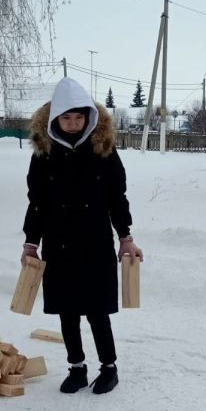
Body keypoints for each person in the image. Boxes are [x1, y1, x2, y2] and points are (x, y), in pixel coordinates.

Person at [21, 77, 143, 394]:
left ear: (88, 116)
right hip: (58, 245)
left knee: (97, 312)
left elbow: (118, 197)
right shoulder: (44, 154)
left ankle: (109, 368)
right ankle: (76, 368)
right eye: (66, 118)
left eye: (79, 117)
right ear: (55, 119)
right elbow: (36, 203)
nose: (73, 124)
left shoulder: (103, 151)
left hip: (96, 244)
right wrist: (30, 243)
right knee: (68, 312)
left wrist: (126, 237)